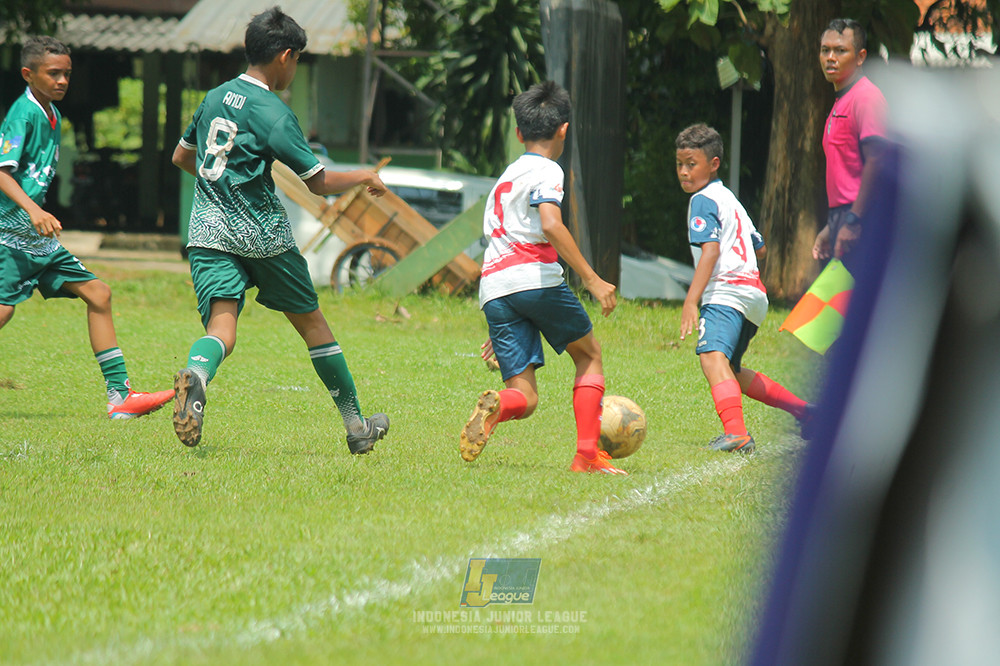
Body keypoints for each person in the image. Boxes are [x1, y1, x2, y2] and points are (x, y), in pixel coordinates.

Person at [170, 7, 390, 453]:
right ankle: (357, 427)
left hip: (208, 230)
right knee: (313, 325)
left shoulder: (214, 96)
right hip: (261, 234)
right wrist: (366, 174)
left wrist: (221, 188)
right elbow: (318, 182)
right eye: (297, 60)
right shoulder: (273, 110)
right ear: (286, 56)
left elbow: (181, 157)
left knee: (221, 330)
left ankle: (197, 375)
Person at [0, 36, 174, 419]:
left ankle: (120, 398)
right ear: (28, 74)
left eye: (67, 74)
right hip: (10, 235)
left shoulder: (53, 115)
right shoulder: (22, 114)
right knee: (4, 311)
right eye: (54, 73)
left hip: (36, 238)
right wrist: (33, 210)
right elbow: (2, 172)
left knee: (99, 294)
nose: (63, 81)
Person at [459, 81, 626, 475]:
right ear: (564, 129)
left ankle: (499, 405)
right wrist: (592, 278)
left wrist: (505, 320)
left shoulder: (505, 177)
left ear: (518, 133)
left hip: (496, 289)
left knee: (525, 397)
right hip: (533, 278)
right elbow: (550, 223)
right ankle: (587, 456)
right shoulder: (548, 169)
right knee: (588, 356)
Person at [676, 123, 812, 453]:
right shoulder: (730, 200)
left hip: (727, 292)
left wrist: (691, 301)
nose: (683, 172)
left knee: (711, 356)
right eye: (679, 164)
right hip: (754, 295)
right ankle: (806, 412)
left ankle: (736, 433)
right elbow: (760, 247)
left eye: (691, 164)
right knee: (731, 371)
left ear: (714, 163)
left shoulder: (703, 200)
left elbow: (710, 251)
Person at [813, 18, 888, 273]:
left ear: (860, 56)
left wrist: (854, 220)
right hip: (842, 216)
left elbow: (877, 161)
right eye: (825, 50)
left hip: (862, 220)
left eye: (840, 50)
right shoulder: (841, 100)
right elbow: (845, 173)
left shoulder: (866, 98)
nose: (830, 57)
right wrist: (830, 226)